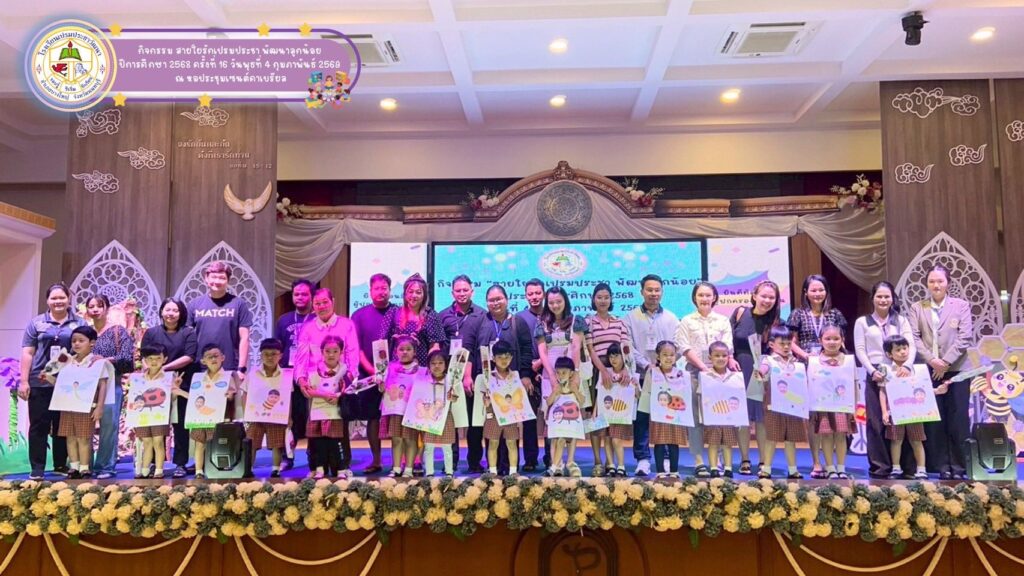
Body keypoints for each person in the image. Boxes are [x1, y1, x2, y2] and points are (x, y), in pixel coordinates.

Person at [907, 265, 973, 480]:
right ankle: (942, 466)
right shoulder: (918, 307)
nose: (936, 285)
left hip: (957, 370)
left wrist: (945, 362)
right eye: (932, 281)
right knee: (936, 420)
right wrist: (932, 361)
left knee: (958, 418)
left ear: (948, 283)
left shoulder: (961, 306)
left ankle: (960, 467)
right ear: (927, 284)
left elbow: (965, 337)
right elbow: (914, 337)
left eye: (940, 281)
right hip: (929, 370)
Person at [786, 274, 848, 480]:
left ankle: (835, 464)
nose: (817, 294)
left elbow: (842, 341)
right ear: (806, 293)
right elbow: (790, 342)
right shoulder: (798, 314)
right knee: (813, 416)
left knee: (832, 415)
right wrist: (807, 357)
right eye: (813, 290)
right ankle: (816, 462)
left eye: (821, 290)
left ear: (826, 292)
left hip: (832, 369)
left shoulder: (835, 314)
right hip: (808, 368)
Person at [853, 281, 916, 478]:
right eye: (879, 296)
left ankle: (905, 467)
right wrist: (872, 371)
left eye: (887, 296)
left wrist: (907, 366)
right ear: (872, 298)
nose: (883, 300)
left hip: (900, 374)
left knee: (903, 420)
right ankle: (880, 467)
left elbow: (911, 345)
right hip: (876, 373)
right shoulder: (862, 322)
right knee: (876, 421)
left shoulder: (901, 321)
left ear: (892, 299)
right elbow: (860, 349)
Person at [469, 285, 535, 474]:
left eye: (499, 299)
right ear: (486, 302)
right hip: (489, 383)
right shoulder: (480, 321)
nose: (495, 303)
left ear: (507, 299)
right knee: (491, 428)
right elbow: (472, 350)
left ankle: (509, 468)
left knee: (511, 427)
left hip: (511, 384)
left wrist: (525, 375)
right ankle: (493, 468)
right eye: (491, 300)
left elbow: (527, 349)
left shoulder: (518, 322)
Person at [19, 282, 81, 480]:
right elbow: (28, 353)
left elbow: (84, 350)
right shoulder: (36, 323)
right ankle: (37, 467)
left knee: (63, 424)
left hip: (68, 383)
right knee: (38, 425)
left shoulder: (79, 323)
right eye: (54, 298)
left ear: (69, 299)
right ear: (47, 301)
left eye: (62, 297)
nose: (58, 301)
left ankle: (60, 464)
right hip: (40, 381)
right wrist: (24, 381)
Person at [293, 288, 360, 471]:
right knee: (315, 428)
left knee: (339, 427)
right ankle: (316, 467)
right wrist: (301, 380)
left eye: (325, 302)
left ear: (333, 302)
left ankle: (342, 466)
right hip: (315, 386)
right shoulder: (308, 328)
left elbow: (353, 355)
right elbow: (301, 358)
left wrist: (347, 382)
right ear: (313, 306)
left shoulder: (346, 324)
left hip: (340, 383)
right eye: (317, 303)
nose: (321, 306)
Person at [674, 281, 733, 478]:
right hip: (694, 374)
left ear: (714, 297)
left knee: (719, 416)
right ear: (694, 298)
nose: (705, 298)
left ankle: (720, 462)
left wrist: (716, 369)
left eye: (708, 295)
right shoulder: (686, 321)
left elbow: (728, 347)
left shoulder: (723, 321)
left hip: (720, 376)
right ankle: (699, 460)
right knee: (695, 418)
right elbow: (684, 347)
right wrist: (703, 368)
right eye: (700, 295)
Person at [622, 274, 679, 477]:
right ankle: (643, 459)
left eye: (657, 290)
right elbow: (627, 346)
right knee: (642, 419)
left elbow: (677, 346)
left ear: (662, 292)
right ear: (642, 292)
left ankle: (665, 458)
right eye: (649, 290)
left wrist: (663, 365)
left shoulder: (671, 318)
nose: (653, 293)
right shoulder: (630, 317)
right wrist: (647, 365)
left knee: (665, 418)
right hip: (641, 375)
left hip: (666, 377)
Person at [141, 298, 198, 479]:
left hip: (180, 382)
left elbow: (190, 356)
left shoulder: (188, 333)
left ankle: (180, 463)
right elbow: (144, 356)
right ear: (161, 312)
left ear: (181, 314)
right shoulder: (151, 332)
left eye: (175, 310)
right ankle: (154, 464)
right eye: (167, 310)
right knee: (155, 424)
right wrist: (153, 371)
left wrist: (164, 368)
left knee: (180, 425)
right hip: (154, 385)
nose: (171, 314)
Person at [730, 279, 781, 476]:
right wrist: (729, 359)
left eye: (771, 297)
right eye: (764, 296)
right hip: (739, 369)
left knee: (761, 418)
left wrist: (766, 366)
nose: (767, 300)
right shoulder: (740, 313)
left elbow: (778, 349)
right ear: (754, 296)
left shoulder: (776, 322)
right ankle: (744, 459)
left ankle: (763, 461)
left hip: (763, 372)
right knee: (742, 417)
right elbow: (727, 341)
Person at [83, 294, 135, 480]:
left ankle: (105, 466)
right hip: (86, 386)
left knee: (109, 426)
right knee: (83, 427)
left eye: (99, 306)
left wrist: (104, 360)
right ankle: (84, 466)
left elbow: (127, 360)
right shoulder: (85, 333)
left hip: (112, 383)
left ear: (107, 308)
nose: (95, 309)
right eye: (91, 306)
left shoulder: (118, 332)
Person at [438, 274, 485, 472]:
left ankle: (474, 462)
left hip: (472, 375)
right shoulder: (443, 315)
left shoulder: (482, 314)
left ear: (472, 291)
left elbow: (479, 347)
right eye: (458, 290)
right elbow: (440, 346)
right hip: (449, 376)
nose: (462, 293)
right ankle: (451, 461)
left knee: (475, 421)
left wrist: (469, 376)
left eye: (465, 290)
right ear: (452, 293)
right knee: (451, 420)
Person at [350, 273, 397, 474]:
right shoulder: (359, 315)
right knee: (372, 418)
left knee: (397, 418)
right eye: (376, 288)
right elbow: (357, 348)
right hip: (369, 376)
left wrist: (391, 372)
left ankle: (400, 462)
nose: (381, 292)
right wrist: (373, 371)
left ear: (390, 290)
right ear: (370, 291)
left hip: (396, 375)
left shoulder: (398, 313)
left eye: (384, 288)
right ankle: (376, 460)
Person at [584, 282, 632, 476]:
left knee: (613, 415)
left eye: (606, 297)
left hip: (618, 371)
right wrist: (603, 370)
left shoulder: (619, 322)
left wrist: (625, 368)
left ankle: (612, 462)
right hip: (597, 371)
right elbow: (590, 349)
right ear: (593, 299)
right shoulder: (588, 322)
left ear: (611, 299)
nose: (603, 301)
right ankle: (597, 461)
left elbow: (626, 348)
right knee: (596, 418)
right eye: (599, 297)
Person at [49, 326, 110, 479]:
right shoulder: (67, 361)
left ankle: (84, 468)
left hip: (86, 406)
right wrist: (47, 377)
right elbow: (59, 383)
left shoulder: (98, 362)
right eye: (74, 341)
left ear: (92, 343)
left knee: (83, 438)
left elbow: (103, 385)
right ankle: (74, 467)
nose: (76, 343)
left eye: (81, 340)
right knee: (70, 437)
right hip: (68, 406)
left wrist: (100, 407)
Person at [174, 343, 239, 479]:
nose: (213, 359)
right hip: (200, 418)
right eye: (209, 357)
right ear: (203, 361)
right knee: (199, 443)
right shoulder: (198, 378)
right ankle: (199, 470)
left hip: (220, 418)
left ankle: (215, 468)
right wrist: (179, 391)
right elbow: (195, 398)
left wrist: (231, 395)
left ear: (223, 357)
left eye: (216, 356)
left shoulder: (229, 376)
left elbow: (232, 396)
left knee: (217, 444)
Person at [756, 326, 807, 479]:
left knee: (791, 439)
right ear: (772, 344)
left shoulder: (796, 362)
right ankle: (766, 469)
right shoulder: (768, 360)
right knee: (771, 438)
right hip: (773, 406)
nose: (786, 347)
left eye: (788, 343)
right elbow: (763, 370)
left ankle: (793, 469)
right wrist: (760, 372)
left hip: (792, 406)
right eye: (782, 343)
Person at [274, 279, 314, 471]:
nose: (300, 297)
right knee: (287, 418)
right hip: (288, 373)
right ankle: (287, 457)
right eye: (296, 294)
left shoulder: (316, 319)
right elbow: (277, 347)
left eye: (304, 294)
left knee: (310, 416)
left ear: (311, 296)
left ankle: (314, 454)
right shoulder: (284, 320)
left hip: (311, 374)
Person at [187, 261, 253, 376]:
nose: (217, 281)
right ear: (206, 278)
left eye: (222, 278)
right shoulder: (194, 304)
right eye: (213, 277)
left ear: (228, 280)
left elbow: (245, 338)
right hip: (200, 367)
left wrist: (242, 368)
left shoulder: (239, 304)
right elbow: (187, 339)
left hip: (229, 367)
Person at [301, 336, 350, 479]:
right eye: (327, 351)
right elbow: (308, 390)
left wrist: (338, 396)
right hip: (317, 412)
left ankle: (341, 469)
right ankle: (319, 469)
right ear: (322, 352)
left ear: (341, 352)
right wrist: (324, 395)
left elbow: (349, 390)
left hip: (335, 413)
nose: (331, 355)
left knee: (336, 443)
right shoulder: (313, 370)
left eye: (335, 351)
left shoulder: (345, 371)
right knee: (318, 443)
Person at [880, 335, 929, 480]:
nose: (902, 352)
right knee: (896, 440)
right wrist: (884, 412)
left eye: (905, 348)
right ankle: (896, 468)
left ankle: (921, 469)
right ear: (889, 354)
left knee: (917, 440)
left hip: (915, 412)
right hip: (895, 411)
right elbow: (882, 391)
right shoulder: (886, 369)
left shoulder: (917, 369)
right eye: (898, 349)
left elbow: (924, 389)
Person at [475, 340, 526, 476]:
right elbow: (484, 400)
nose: (504, 360)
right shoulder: (488, 377)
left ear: (511, 358)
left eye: (507, 357)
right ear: (493, 358)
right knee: (493, 443)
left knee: (512, 443)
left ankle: (513, 472)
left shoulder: (515, 375)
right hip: (493, 414)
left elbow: (520, 397)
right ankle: (492, 471)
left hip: (511, 415)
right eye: (500, 357)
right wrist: (486, 402)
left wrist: (520, 415)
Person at [241, 338, 291, 477]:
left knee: (277, 443)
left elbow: (288, 398)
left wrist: (289, 416)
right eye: (266, 354)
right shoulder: (253, 374)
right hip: (255, 416)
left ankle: (275, 469)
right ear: (261, 355)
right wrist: (246, 414)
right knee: (251, 442)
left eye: (274, 354)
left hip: (277, 416)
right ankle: (248, 469)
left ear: (280, 355)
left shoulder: (286, 375)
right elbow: (245, 394)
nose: (270, 357)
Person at [641, 340, 689, 478]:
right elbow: (646, 392)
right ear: (658, 356)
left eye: (672, 355)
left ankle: (674, 470)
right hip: (658, 414)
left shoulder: (681, 374)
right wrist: (646, 410)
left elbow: (685, 394)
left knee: (674, 442)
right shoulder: (652, 372)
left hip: (675, 414)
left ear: (676, 356)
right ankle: (660, 471)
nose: (669, 358)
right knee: (659, 442)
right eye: (665, 354)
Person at [814, 324, 856, 479]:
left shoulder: (848, 360)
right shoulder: (815, 361)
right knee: (826, 435)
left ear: (842, 340)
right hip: (823, 405)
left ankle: (841, 467)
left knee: (840, 435)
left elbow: (854, 383)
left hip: (842, 405)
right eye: (828, 339)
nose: (832, 342)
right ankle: (830, 467)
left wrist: (854, 406)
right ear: (820, 340)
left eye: (836, 338)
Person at [418, 351, 468, 477]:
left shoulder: (452, 381)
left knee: (447, 447)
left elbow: (456, 400)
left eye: (440, 363)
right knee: (429, 447)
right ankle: (429, 472)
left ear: (446, 365)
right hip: (429, 417)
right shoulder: (424, 381)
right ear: (428, 365)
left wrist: (453, 397)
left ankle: (449, 472)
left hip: (446, 417)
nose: (437, 366)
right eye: (433, 363)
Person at [132, 344, 178, 479]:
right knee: (146, 442)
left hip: (160, 415)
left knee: (158, 441)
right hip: (143, 416)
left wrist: (176, 389)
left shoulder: (169, 377)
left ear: (165, 359)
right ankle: (145, 469)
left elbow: (171, 398)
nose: (154, 361)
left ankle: (159, 469)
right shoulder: (139, 378)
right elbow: (135, 399)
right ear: (145, 360)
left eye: (158, 358)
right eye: (150, 358)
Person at [514, 278, 546, 471]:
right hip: (527, 373)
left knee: (552, 417)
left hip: (551, 372)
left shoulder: (553, 315)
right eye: (530, 293)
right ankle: (530, 459)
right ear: (526, 296)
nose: (534, 297)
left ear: (544, 294)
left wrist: (542, 362)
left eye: (538, 293)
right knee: (529, 418)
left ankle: (551, 458)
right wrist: (526, 370)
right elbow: (518, 348)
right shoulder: (518, 318)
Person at [379, 336, 421, 477]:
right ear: (396, 351)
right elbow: (382, 389)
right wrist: (381, 384)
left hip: (411, 411)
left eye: (408, 349)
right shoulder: (389, 368)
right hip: (395, 409)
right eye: (401, 349)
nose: (405, 352)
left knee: (410, 439)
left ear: (414, 351)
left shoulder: (421, 370)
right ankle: (396, 467)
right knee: (396, 439)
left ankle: (409, 468)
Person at [598, 343, 639, 476]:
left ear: (623, 357)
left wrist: (635, 386)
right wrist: (595, 412)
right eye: (611, 356)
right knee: (607, 439)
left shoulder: (630, 374)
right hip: (606, 412)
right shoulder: (605, 373)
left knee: (616, 439)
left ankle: (621, 465)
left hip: (621, 414)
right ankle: (611, 465)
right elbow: (599, 394)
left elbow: (637, 395)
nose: (613, 359)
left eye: (616, 356)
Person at [544, 356, 585, 477]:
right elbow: (548, 402)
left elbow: (582, 401)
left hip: (572, 419)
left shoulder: (576, 384)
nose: (560, 375)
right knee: (556, 440)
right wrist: (555, 392)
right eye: (558, 372)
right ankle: (557, 465)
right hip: (557, 419)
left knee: (571, 438)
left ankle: (570, 462)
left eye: (564, 372)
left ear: (571, 373)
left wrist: (575, 391)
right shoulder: (554, 385)